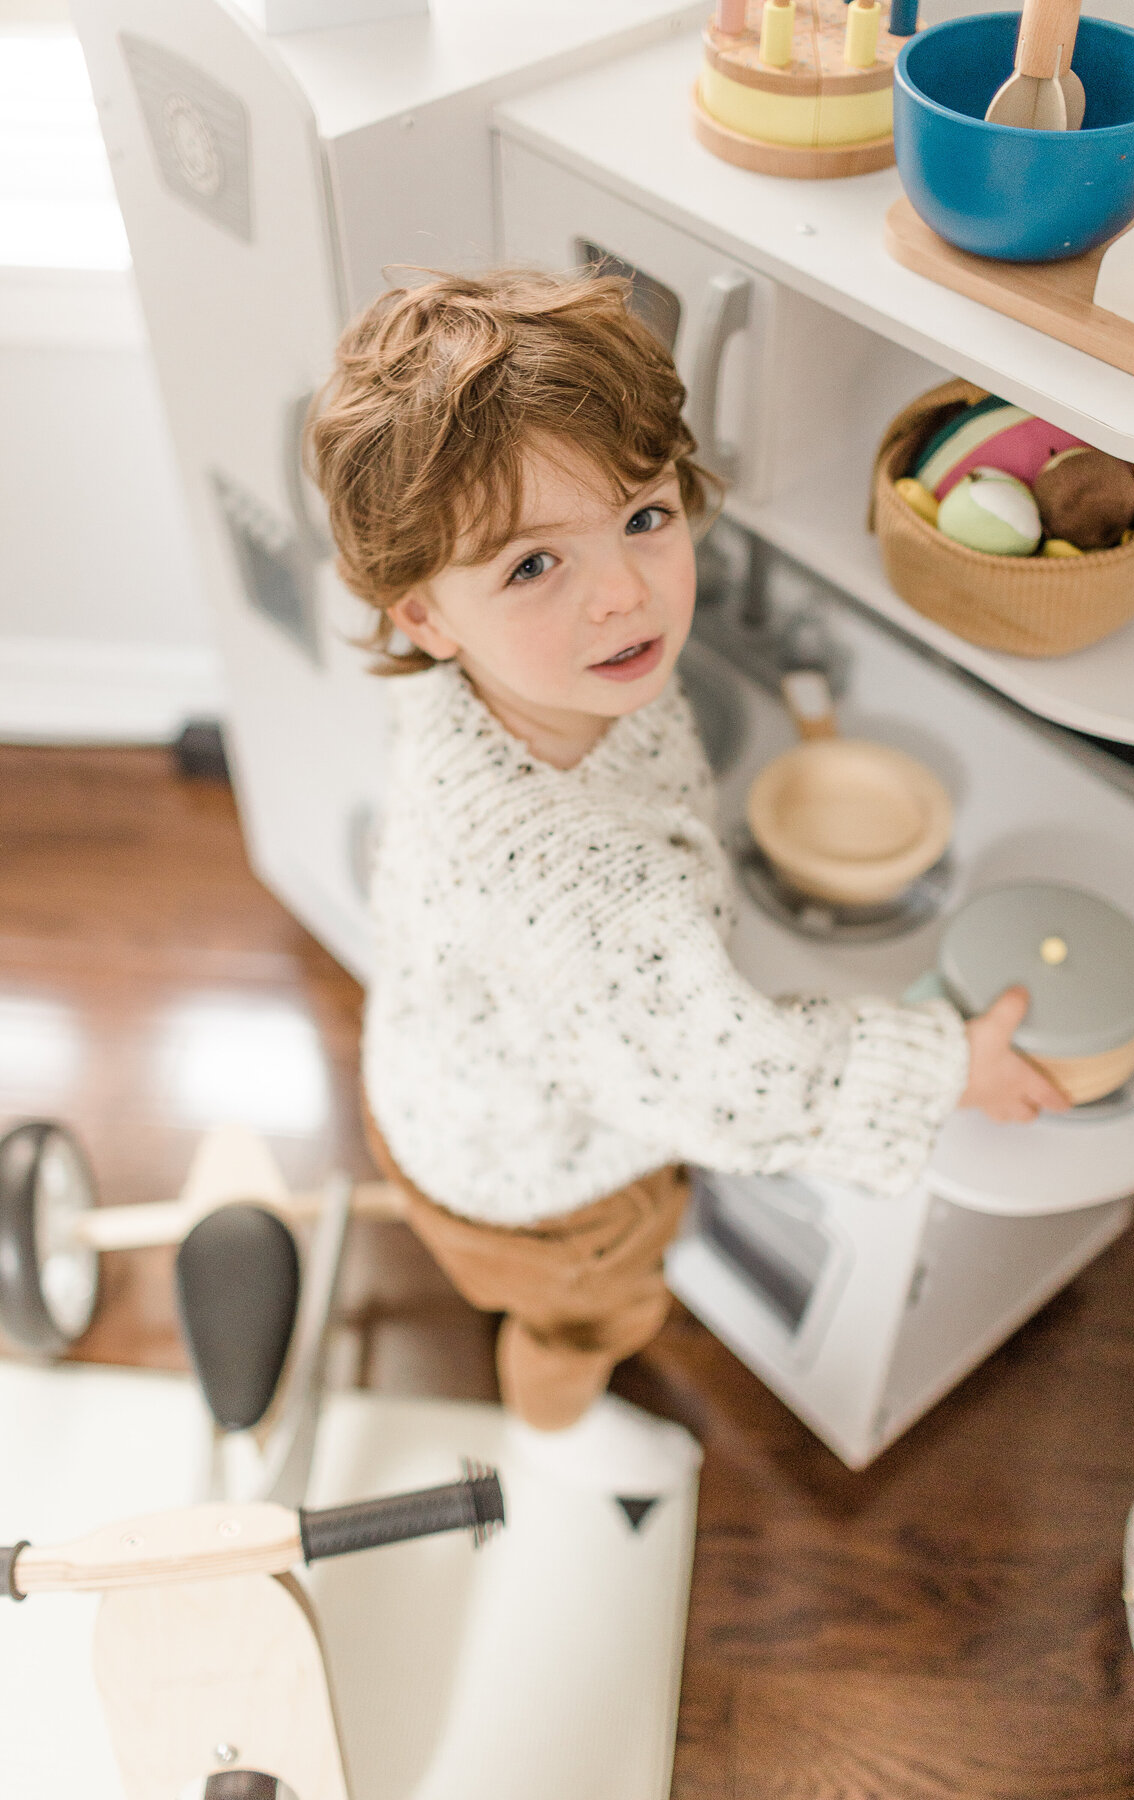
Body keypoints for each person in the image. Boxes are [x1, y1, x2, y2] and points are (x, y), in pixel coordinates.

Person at [307, 269, 1067, 1494]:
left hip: (446, 1086)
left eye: (644, 517)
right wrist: (946, 1064)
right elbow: (734, 1081)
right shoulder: (583, 887)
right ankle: (553, 1428)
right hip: (546, 1197)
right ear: (425, 617)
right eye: (531, 567)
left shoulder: (494, 687)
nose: (621, 590)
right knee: (593, 1313)